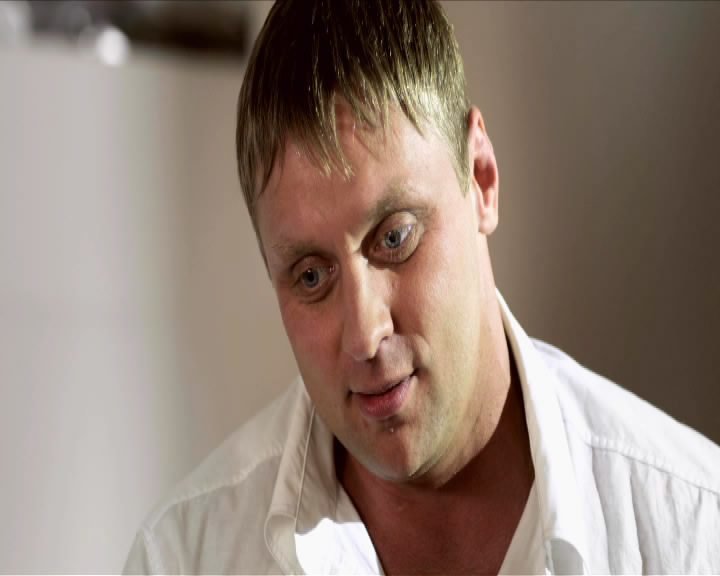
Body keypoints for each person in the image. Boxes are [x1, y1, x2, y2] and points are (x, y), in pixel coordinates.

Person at [124, 0, 720, 573]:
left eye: (394, 238)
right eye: (311, 276)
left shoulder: (696, 529)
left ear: (481, 179)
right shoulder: (183, 559)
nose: (365, 334)